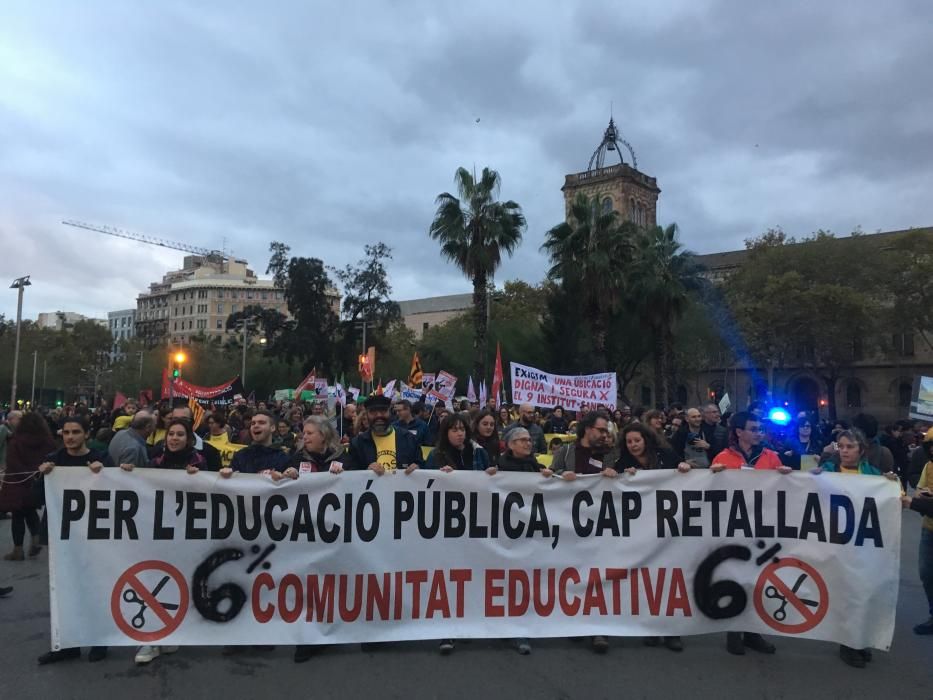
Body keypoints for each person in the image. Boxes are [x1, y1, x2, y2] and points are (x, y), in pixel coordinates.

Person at [814, 429, 899, 666]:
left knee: (864, 593)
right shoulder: (828, 471)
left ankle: (860, 639)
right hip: (835, 545)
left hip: (864, 546)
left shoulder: (872, 474)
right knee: (845, 595)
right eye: (841, 446)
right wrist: (809, 478)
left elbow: (893, 505)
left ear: (861, 450)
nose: (844, 451)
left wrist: (891, 485)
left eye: (850, 447)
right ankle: (848, 644)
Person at [36, 415, 113, 665]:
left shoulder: (101, 459)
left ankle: (99, 640)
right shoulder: (53, 460)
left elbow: (119, 493)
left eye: (76, 432)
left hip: (93, 535)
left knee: (95, 586)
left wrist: (103, 476)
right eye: (66, 432)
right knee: (64, 589)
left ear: (86, 435)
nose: (70, 437)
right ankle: (67, 643)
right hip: (61, 535)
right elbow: (36, 498)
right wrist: (42, 476)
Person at [710, 411, 787, 657]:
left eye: (760, 429)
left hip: (763, 530)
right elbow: (710, 491)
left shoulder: (771, 457)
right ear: (739, 432)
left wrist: (788, 476)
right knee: (734, 579)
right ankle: (734, 631)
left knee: (757, 581)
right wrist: (714, 475)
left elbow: (789, 489)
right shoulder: (722, 458)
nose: (758, 433)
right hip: (733, 529)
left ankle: (753, 633)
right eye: (753, 428)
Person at [1, 412, 55, 560]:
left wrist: (24, 475)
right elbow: (52, 459)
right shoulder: (48, 441)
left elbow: (12, 462)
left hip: (17, 484)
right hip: (37, 483)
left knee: (18, 515)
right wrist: (36, 476)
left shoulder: (16, 441)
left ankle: (18, 550)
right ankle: (36, 538)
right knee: (31, 511)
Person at [345, 395, 423, 474]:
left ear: (389, 412)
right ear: (366, 414)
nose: (379, 415)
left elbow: (422, 465)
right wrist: (366, 472)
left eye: (383, 411)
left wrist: (417, 467)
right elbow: (350, 473)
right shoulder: (357, 443)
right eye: (373, 412)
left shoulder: (408, 438)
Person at [901, 484, 933, 635]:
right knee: (926, 573)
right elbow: (918, 485)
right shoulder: (929, 465)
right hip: (929, 528)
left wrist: (913, 503)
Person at [552, 411, 619, 481]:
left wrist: (614, 474)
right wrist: (562, 474)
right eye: (601, 430)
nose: (605, 435)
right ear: (587, 429)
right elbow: (550, 476)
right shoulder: (565, 451)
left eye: (606, 431)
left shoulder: (609, 455)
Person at [225, 411, 291, 475]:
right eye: (253, 423)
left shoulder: (283, 457)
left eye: (261, 423)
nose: (256, 426)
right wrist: (226, 475)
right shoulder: (240, 455)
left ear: (272, 428)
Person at [280, 415, 347, 478]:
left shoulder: (341, 457)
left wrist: (345, 474)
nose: (305, 437)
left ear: (323, 435)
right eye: (304, 433)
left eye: (309, 433)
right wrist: (288, 474)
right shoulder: (297, 458)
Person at [425, 414, 489, 472]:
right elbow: (427, 478)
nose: (460, 434)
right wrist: (444, 475)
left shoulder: (478, 451)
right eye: (454, 430)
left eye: (462, 429)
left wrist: (490, 472)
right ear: (446, 433)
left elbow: (486, 477)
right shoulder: (436, 454)